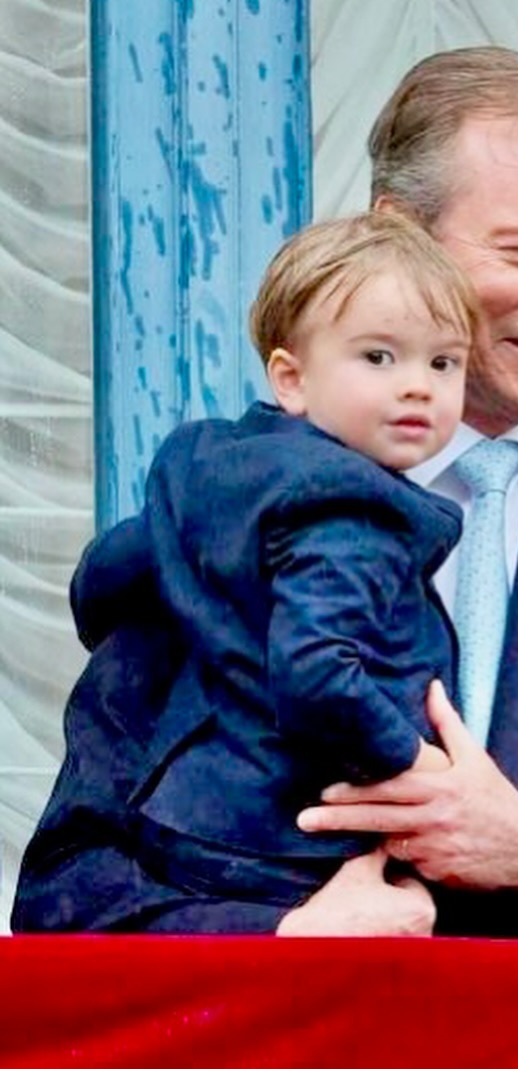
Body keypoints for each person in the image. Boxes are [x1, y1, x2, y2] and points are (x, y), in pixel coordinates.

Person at [15, 45, 518, 941]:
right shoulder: (231, 510)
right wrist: (289, 942)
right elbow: (67, 894)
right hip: (293, 1032)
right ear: (402, 233)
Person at [11, 211, 477, 932]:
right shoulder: (355, 508)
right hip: (288, 845)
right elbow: (317, 671)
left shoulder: (216, 477)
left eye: (443, 363)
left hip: (189, 819)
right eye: (379, 357)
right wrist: (422, 768)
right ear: (291, 379)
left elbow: (101, 578)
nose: (418, 386)